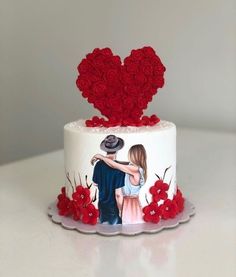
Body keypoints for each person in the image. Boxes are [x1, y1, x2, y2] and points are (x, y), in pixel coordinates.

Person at [92, 144, 147, 224]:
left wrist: (100, 156)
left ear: (133, 155)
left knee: (130, 229)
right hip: (133, 203)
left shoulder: (134, 169)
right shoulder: (136, 169)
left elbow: (115, 165)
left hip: (129, 204)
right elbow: (118, 163)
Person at [91, 135, 125, 225]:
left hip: (102, 205)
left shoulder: (98, 165)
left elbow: (95, 183)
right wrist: (122, 210)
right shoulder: (119, 169)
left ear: (105, 150)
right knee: (115, 232)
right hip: (113, 208)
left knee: (102, 229)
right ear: (117, 150)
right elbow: (118, 194)